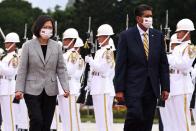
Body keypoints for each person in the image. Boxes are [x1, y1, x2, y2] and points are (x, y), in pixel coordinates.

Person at [114, 4, 170, 131]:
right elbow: (120, 64)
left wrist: (165, 87)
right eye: (147, 16)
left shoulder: (158, 36)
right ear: (138, 19)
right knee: (135, 116)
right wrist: (119, 89)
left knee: (147, 120)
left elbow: (163, 63)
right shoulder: (126, 36)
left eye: (151, 16)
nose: (150, 19)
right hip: (133, 87)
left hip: (152, 87)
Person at [15, 15, 70, 131]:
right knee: (36, 120)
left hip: (50, 90)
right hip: (31, 89)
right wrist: (19, 89)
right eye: (45, 26)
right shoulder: (28, 46)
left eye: (50, 27)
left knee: (46, 124)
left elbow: (61, 68)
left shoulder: (57, 46)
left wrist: (66, 87)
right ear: (39, 27)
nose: (48, 29)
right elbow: (22, 69)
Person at [161, 19, 195, 131]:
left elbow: (184, 65)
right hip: (173, 87)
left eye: (180, 31)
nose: (178, 34)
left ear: (187, 32)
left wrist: (168, 58)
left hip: (183, 87)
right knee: (173, 122)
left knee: (183, 121)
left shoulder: (190, 48)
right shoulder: (177, 49)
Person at [85, 24, 115, 131]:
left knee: (105, 118)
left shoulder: (108, 51)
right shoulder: (99, 51)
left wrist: (90, 61)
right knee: (99, 118)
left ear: (107, 37)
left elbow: (103, 69)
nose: (98, 38)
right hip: (97, 87)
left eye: (100, 36)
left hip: (103, 87)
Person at [57, 28, 84, 131]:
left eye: (66, 39)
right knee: (64, 118)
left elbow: (69, 71)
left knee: (70, 118)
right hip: (61, 88)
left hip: (69, 88)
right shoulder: (64, 55)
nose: (64, 41)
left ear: (72, 40)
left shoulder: (73, 54)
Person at [0, 32, 20, 131]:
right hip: (3, 88)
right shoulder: (5, 57)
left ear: (13, 43)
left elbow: (11, 72)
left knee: (11, 117)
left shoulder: (14, 57)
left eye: (8, 43)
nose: (5, 44)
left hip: (9, 88)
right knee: (5, 117)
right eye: (5, 43)